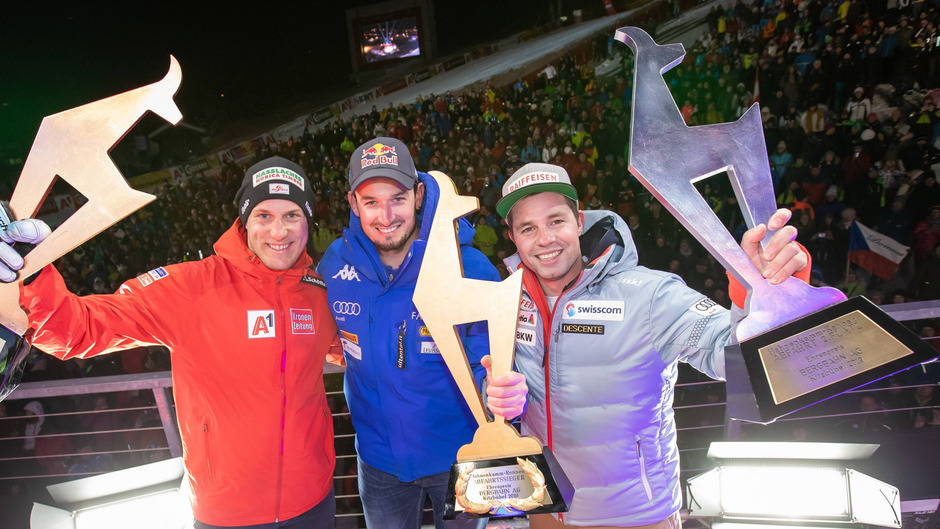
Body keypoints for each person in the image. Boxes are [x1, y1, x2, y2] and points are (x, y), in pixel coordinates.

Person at [0, 157, 341, 529]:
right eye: (263, 216)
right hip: (226, 512)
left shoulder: (318, 293)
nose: (278, 231)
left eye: (292, 215)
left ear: (308, 221)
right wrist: (29, 273)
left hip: (313, 499)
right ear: (244, 221)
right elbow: (79, 330)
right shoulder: (192, 287)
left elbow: (356, 348)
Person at [494, 163, 809, 529]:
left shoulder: (650, 294)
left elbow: (735, 357)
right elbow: (500, 389)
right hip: (546, 509)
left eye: (556, 221)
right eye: (528, 228)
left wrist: (767, 297)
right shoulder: (508, 301)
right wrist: (499, 397)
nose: (545, 239)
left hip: (635, 515)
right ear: (513, 237)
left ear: (579, 221)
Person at [317, 137, 527, 529]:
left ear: (417, 195)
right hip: (379, 462)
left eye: (397, 199)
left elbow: (491, 359)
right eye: (371, 202)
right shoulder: (334, 266)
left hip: (464, 455)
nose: (385, 216)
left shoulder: (469, 266)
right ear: (353, 204)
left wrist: (500, 392)